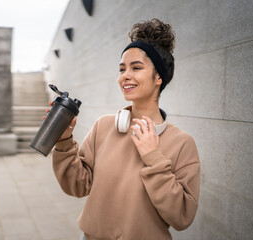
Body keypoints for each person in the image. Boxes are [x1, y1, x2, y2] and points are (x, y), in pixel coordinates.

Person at [49, 18, 200, 240]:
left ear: (159, 76)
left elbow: (182, 217)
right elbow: (77, 186)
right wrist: (63, 140)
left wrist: (153, 158)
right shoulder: (104, 126)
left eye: (136, 67)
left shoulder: (182, 143)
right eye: (122, 69)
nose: (125, 76)